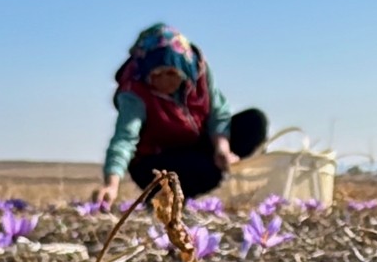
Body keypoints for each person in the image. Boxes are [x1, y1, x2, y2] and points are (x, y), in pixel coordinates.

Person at [94, 24, 268, 209]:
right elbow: (124, 139)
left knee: (254, 122)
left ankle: (195, 183)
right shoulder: (134, 91)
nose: (164, 81)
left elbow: (218, 113)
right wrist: (111, 185)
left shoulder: (198, 71)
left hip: (195, 144)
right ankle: (163, 198)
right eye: (156, 74)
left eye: (172, 73)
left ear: (185, 69)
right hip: (156, 161)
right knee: (203, 169)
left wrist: (221, 148)